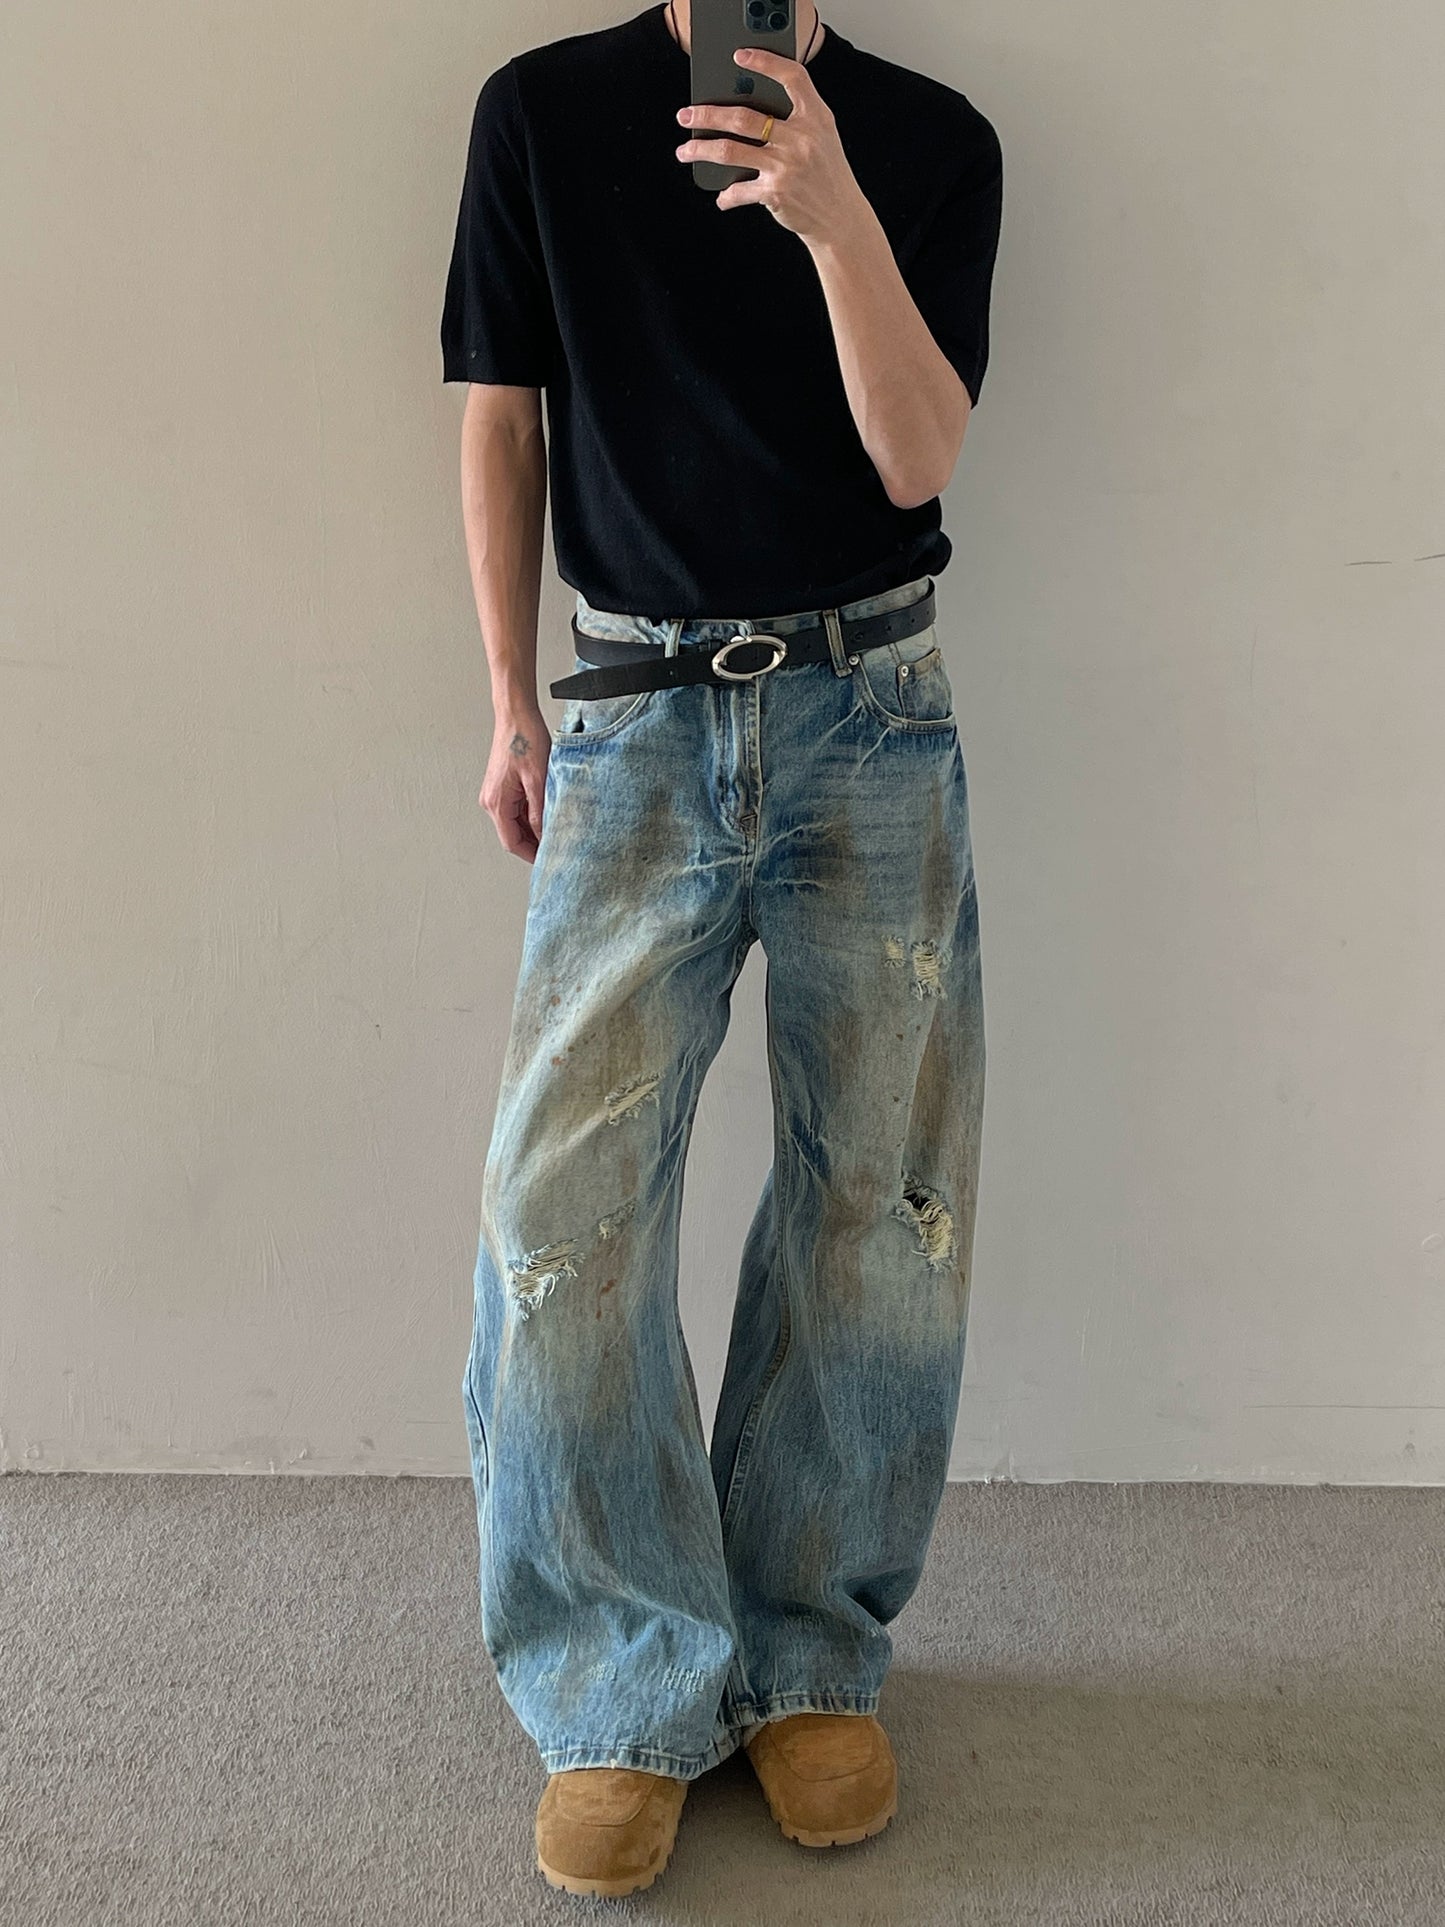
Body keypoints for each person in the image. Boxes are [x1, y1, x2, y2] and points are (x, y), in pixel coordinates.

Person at [441, 0, 1001, 1897]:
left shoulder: (932, 141)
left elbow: (917, 458)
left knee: (882, 1200)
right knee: (563, 1208)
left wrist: (834, 215)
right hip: (631, 716)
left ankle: (809, 1657)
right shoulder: (537, 115)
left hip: (872, 708)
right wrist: (506, 700)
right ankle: (619, 1681)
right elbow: (500, 410)